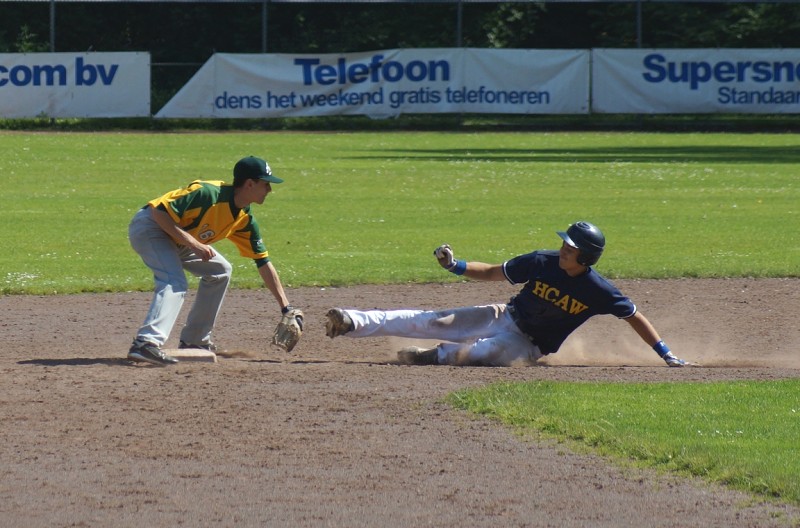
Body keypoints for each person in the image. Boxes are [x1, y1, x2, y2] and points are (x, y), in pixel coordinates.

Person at [324, 221, 690, 367]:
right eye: (564, 243)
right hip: (503, 314)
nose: (563, 249)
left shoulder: (599, 290)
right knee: (428, 320)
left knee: (487, 352)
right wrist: (455, 266)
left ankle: (432, 356)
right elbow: (493, 272)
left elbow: (634, 316)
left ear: (587, 258)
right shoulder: (542, 261)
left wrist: (666, 353)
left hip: (529, 344)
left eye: (571, 248)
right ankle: (352, 320)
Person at [127, 156, 297, 366]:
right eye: (266, 184)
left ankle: (194, 340)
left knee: (220, 270)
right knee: (174, 281)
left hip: (179, 239)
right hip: (151, 228)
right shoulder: (207, 194)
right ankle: (145, 343)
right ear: (249, 184)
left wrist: (286, 307)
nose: (269, 190)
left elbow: (262, 261)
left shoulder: (244, 218)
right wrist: (193, 244)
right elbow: (159, 211)